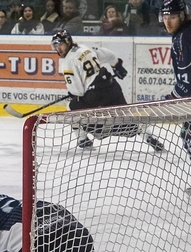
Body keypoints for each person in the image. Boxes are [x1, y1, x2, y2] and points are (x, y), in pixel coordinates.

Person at [52, 29, 163, 150]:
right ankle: (145, 133)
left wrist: (72, 94)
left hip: (96, 94)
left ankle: (83, 140)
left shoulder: (67, 62)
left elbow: (78, 92)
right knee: (125, 118)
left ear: (68, 42)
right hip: (112, 86)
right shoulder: (84, 48)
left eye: (60, 45)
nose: (58, 49)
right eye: (56, 46)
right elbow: (109, 55)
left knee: (71, 108)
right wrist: (117, 66)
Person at [162, 0, 191, 156]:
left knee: (188, 137)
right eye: (165, 17)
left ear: (182, 16)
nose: (168, 22)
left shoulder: (183, 39)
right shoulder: (183, 34)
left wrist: (171, 98)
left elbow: (187, 83)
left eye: (172, 17)